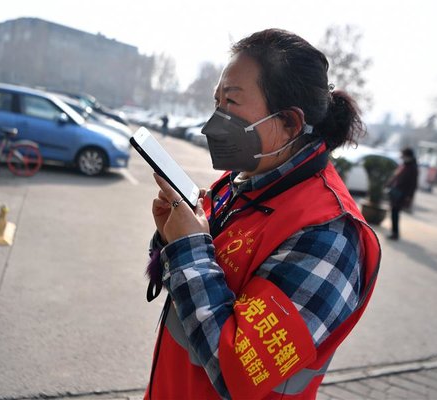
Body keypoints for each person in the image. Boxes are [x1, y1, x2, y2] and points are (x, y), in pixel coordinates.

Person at [144, 28, 381, 400]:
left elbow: (237, 371)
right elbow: (192, 277)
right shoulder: (239, 182)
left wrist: (189, 247)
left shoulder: (329, 234)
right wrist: (170, 239)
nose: (214, 121)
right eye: (217, 101)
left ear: (288, 122)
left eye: (232, 104)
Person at [386, 148, 418, 240]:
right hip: (396, 192)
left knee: (395, 213)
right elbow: (395, 177)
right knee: (393, 213)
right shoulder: (404, 165)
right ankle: (394, 232)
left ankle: (395, 233)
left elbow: (413, 184)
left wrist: (409, 197)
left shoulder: (412, 168)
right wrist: (388, 184)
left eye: (403, 155)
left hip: (402, 194)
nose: (402, 157)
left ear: (408, 156)